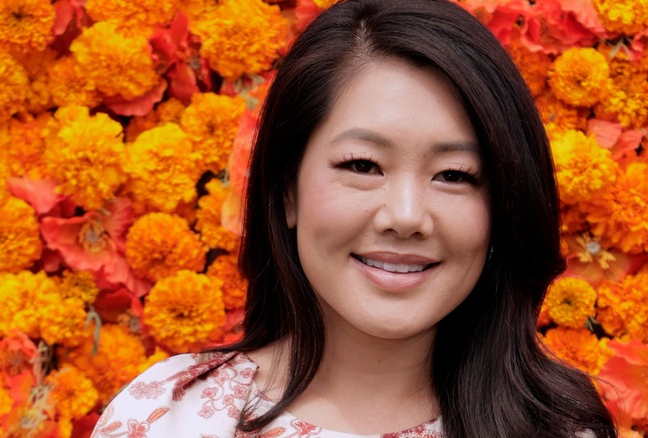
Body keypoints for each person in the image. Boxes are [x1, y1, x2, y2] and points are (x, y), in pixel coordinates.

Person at [92, 0, 617, 436]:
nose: (406, 217)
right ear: (286, 192)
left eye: (455, 174)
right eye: (362, 165)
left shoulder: (558, 429)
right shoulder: (165, 418)